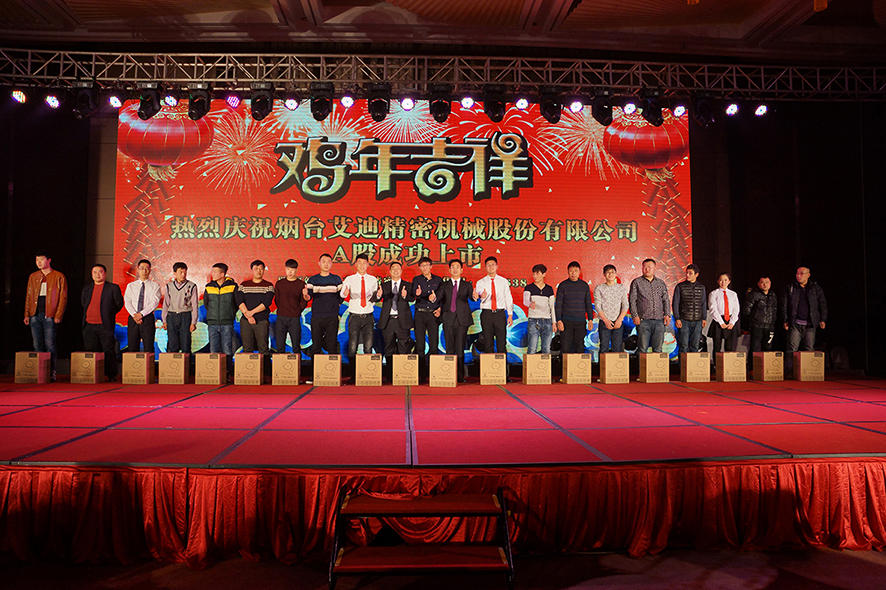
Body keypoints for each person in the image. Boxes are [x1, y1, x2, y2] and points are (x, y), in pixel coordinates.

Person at [24, 250, 67, 381]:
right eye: (37, 260)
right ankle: (39, 371)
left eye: (41, 259)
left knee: (50, 344)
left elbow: (63, 297)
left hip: (50, 315)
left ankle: (51, 371)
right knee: (37, 344)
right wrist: (27, 314)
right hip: (35, 315)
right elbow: (29, 296)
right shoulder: (33, 276)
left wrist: (58, 314)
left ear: (49, 260)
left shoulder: (58, 276)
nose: (39, 262)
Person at [81, 264, 124, 382]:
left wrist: (108, 314)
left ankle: (111, 375)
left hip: (105, 324)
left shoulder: (113, 288)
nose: (97, 274)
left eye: (100, 272)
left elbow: (119, 304)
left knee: (108, 350)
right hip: (88, 324)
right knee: (91, 350)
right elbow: (84, 303)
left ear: (105, 274)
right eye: (94, 272)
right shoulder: (87, 288)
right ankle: (93, 374)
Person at [341, 253, 379, 378]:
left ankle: (368, 374)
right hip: (354, 316)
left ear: (368, 264)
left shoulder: (373, 280)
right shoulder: (349, 279)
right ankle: (353, 375)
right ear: (355, 264)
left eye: (364, 263)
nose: (362, 265)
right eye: (359, 262)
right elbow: (342, 294)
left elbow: (375, 298)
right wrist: (345, 293)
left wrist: (378, 296)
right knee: (353, 347)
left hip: (368, 316)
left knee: (368, 346)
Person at [438, 259, 475, 382]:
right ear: (449, 270)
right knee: (449, 348)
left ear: (461, 270)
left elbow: (471, 296)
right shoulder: (444, 285)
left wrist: (475, 296)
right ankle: (449, 374)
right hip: (448, 318)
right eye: (453, 267)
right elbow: (439, 297)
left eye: (457, 267)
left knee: (460, 348)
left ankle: (460, 375)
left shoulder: (467, 285)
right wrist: (433, 298)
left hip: (462, 320)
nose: (455, 269)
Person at [376, 261, 414, 382]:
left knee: (404, 347)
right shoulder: (384, 285)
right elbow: (376, 298)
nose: (396, 270)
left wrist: (405, 296)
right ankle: (390, 375)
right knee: (389, 347)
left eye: (398, 268)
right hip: (388, 320)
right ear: (390, 271)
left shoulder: (407, 285)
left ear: (401, 271)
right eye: (393, 268)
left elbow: (412, 298)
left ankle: (403, 373)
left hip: (402, 320)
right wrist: (378, 296)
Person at [474, 256, 514, 357]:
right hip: (486, 314)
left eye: (493, 264)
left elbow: (508, 297)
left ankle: (502, 366)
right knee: (488, 343)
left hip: (499, 314)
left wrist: (510, 315)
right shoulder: (481, 282)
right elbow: (479, 292)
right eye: (488, 265)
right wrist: (481, 295)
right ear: (485, 267)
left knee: (501, 343)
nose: (491, 267)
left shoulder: (503, 281)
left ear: (497, 266)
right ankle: (489, 366)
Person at [629, 258, 671, 353]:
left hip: (659, 320)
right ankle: (641, 363)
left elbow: (666, 300)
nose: (647, 269)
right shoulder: (637, 282)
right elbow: (632, 300)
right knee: (642, 348)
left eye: (649, 267)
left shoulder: (661, 283)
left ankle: (656, 364)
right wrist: (635, 315)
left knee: (658, 348)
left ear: (655, 268)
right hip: (643, 320)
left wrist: (667, 315)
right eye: (644, 267)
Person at [782, 266, 827, 353]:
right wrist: (785, 320)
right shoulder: (791, 288)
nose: (799, 276)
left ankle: (807, 363)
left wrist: (823, 319)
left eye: (802, 274)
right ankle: (791, 363)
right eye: (797, 273)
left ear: (808, 275)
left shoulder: (815, 288)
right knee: (792, 349)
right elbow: (784, 305)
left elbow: (822, 304)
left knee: (809, 349)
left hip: (810, 324)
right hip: (795, 323)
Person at [412, 256, 443, 381]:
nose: (425, 268)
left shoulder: (438, 280)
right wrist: (418, 294)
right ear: (419, 267)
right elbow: (414, 293)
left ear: (431, 266)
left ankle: (434, 373)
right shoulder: (417, 279)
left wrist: (439, 308)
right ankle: (422, 374)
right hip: (420, 314)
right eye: (422, 266)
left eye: (427, 265)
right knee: (420, 345)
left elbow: (442, 297)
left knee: (434, 344)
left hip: (433, 315)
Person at [306, 253, 343, 356]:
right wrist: (305, 295)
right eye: (324, 262)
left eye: (328, 262)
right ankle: (315, 366)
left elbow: (341, 296)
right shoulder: (313, 280)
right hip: (317, 316)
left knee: (332, 345)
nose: (326, 264)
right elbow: (308, 297)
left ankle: (333, 366)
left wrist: (337, 304)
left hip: (332, 316)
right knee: (316, 345)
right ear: (319, 263)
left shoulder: (336, 279)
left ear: (331, 264)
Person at [204, 262, 238, 375]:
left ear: (222, 274)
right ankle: (215, 373)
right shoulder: (209, 287)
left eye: (215, 272)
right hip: (212, 323)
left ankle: (227, 373)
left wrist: (230, 313)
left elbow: (236, 304)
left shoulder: (232, 286)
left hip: (227, 322)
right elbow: (206, 304)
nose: (212, 274)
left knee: (227, 349)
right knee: (213, 349)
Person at [235, 260, 275, 354]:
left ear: (264, 270)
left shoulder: (268, 286)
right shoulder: (243, 285)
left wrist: (251, 313)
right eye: (256, 269)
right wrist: (248, 316)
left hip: (261, 321)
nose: (258, 271)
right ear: (252, 270)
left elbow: (266, 303)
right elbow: (239, 301)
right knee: (247, 348)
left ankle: (265, 364)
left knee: (263, 348)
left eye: (261, 268)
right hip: (246, 321)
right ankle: (248, 364)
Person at [555, 261, 594, 354]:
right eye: (571, 270)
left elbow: (588, 303)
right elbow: (559, 304)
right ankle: (564, 364)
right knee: (565, 346)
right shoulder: (563, 285)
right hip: (566, 321)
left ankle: (579, 364)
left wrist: (590, 319)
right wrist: (559, 320)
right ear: (567, 272)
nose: (573, 273)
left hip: (580, 321)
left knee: (579, 346)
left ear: (579, 272)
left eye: (576, 270)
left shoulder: (584, 286)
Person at [124, 259, 161, 353]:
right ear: (138, 270)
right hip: (133, 318)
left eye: (147, 268)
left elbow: (154, 302)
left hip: (147, 318)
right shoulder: (131, 286)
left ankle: (149, 363)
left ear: (150, 270)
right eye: (142, 268)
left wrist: (141, 314)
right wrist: (135, 315)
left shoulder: (155, 286)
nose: (144, 271)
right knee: (132, 347)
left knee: (148, 347)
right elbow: (127, 301)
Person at [161, 262, 198, 353]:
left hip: (185, 316)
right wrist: (164, 320)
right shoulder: (169, 286)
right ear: (174, 273)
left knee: (186, 343)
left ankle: (186, 362)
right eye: (180, 272)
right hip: (171, 316)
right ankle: (173, 362)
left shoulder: (192, 286)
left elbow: (195, 305)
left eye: (185, 272)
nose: (183, 274)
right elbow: (166, 304)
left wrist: (193, 322)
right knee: (172, 343)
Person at [274, 259, 309, 354]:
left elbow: (304, 302)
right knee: (280, 345)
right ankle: (280, 363)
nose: (290, 272)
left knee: (296, 345)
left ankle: (297, 363)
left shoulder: (301, 284)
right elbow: (277, 300)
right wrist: (282, 310)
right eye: (288, 269)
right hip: (281, 317)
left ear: (296, 270)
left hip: (294, 318)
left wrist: (297, 311)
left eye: (292, 269)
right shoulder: (280, 284)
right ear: (285, 269)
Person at [594, 264, 630, 353]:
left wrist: (619, 320)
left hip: (618, 322)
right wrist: (606, 320)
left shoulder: (621, 288)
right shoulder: (599, 288)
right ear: (604, 274)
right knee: (604, 347)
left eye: (612, 272)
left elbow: (625, 305)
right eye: (608, 272)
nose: (610, 274)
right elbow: (598, 306)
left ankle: (614, 363)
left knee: (617, 348)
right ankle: (603, 363)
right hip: (604, 322)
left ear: (616, 274)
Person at [672, 263, 707, 353]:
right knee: (683, 345)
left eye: (690, 273)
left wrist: (704, 318)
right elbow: (675, 303)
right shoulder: (680, 286)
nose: (687, 275)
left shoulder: (701, 287)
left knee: (695, 345)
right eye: (686, 273)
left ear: (696, 274)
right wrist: (677, 318)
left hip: (697, 320)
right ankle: (682, 362)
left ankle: (693, 363)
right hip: (684, 320)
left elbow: (703, 303)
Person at [524, 264, 556, 354]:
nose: (535, 276)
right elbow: (525, 300)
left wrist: (554, 322)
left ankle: (544, 364)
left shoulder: (549, 289)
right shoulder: (529, 287)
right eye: (534, 274)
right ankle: (530, 364)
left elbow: (552, 306)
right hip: (534, 320)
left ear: (544, 274)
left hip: (547, 321)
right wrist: (530, 304)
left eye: (537, 273)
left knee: (546, 348)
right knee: (532, 347)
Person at [744, 276, 778, 352]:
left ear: (770, 283)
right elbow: (746, 310)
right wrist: (752, 321)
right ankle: (752, 360)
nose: (765, 284)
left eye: (767, 282)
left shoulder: (773, 295)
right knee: (754, 348)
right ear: (758, 284)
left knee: (768, 348)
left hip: (769, 326)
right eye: (762, 282)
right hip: (756, 326)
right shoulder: (753, 294)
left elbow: (775, 310)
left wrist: (773, 322)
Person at [708, 272, 740, 352]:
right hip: (718, 320)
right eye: (721, 280)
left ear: (729, 281)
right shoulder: (714, 293)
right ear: (718, 281)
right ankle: (716, 361)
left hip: (730, 320)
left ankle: (728, 361)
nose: (723, 282)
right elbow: (713, 308)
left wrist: (732, 322)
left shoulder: (733, 294)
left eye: (725, 280)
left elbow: (736, 309)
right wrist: (721, 322)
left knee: (729, 347)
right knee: (717, 347)